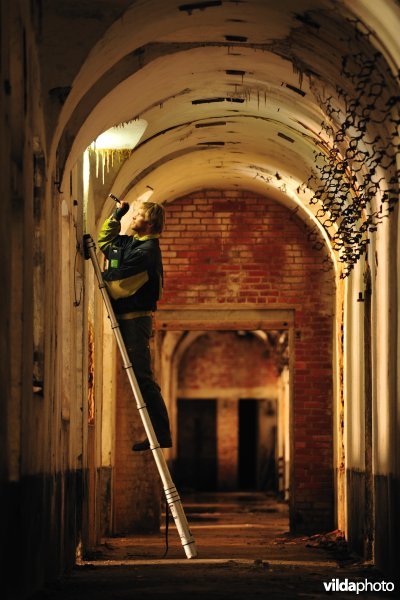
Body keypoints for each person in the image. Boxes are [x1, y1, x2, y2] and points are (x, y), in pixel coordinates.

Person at [98, 200, 172, 451]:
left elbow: (118, 281)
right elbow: (106, 243)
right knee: (140, 377)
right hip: (129, 318)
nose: (134, 219)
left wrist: (104, 276)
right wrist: (118, 213)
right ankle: (159, 434)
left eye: (138, 215)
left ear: (149, 223)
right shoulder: (133, 243)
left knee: (142, 377)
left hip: (136, 319)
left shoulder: (147, 252)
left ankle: (161, 435)